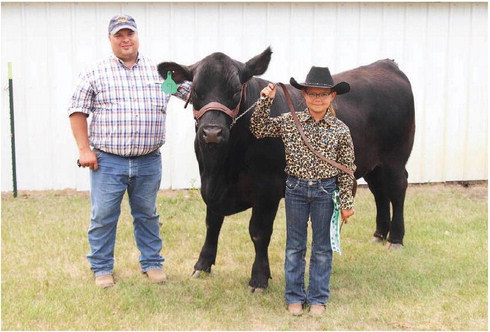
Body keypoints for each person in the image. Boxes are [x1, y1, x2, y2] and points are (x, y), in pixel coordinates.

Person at [68, 14, 191, 288]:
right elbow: (77, 112)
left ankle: (152, 263)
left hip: (148, 161)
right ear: (110, 39)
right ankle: (101, 268)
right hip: (108, 162)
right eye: (119, 35)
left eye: (130, 34)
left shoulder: (161, 73)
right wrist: (84, 149)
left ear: (137, 36)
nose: (126, 40)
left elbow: (191, 93)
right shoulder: (95, 72)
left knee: (147, 213)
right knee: (103, 216)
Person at [250, 66, 355, 315]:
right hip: (295, 190)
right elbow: (258, 128)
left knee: (321, 248)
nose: (317, 99)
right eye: (312, 94)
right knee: (295, 247)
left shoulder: (341, 130)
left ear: (332, 97)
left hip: (325, 191)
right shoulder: (290, 121)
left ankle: (318, 298)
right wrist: (265, 100)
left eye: (323, 94)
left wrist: (347, 202)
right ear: (304, 96)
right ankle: (294, 297)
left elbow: (347, 168)